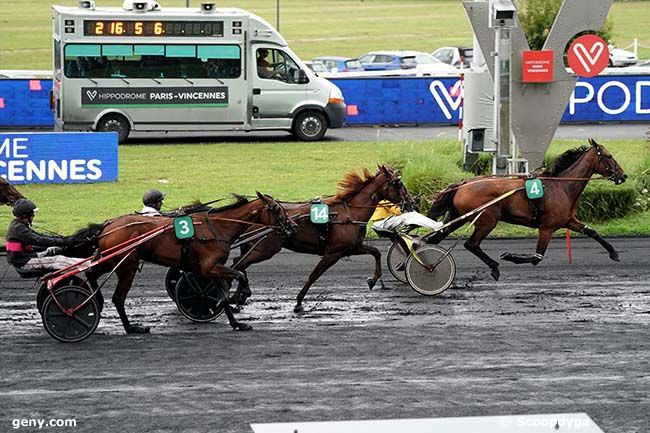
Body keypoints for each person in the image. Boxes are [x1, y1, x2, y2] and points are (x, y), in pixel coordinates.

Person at [6, 199, 80, 272]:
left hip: (26, 257)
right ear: (25, 215)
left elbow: (40, 236)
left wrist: (63, 239)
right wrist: (64, 241)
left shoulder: (18, 225)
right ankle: (87, 264)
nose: (33, 215)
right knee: (59, 260)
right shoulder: (19, 228)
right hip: (23, 262)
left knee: (53, 250)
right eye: (32, 213)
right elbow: (39, 240)